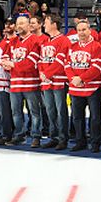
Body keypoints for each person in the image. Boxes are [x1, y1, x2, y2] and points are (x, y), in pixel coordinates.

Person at [1, 15, 43, 147]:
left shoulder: (35, 41)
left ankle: (36, 136)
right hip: (15, 83)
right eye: (18, 23)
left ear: (29, 26)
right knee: (16, 113)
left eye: (22, 23)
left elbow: (30, 63)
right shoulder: (12, 42)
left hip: (31, 83)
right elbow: (4, 57)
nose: (19, 26)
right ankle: (19, 135)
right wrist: (5, 63)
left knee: (34, 112)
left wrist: (13, 65)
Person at [65, 20, 101, 152]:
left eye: (84, 30)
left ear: (89, 30)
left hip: (92, 89)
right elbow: (67, 65)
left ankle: (95, 143)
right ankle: (80, 141)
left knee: (95, 117)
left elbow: (97, 68)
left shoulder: (96, 46)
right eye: (79, 30)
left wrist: (81, 78)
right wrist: (72, 79)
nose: (81, 32)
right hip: (76, 89)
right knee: (77, 117)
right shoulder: (72, 47)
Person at [38, 13, 72, 150]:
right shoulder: (45, 41)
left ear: (54, 24)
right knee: (50, 110)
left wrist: (46, 73)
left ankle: (63, 138)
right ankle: (54, 137)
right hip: (46, 82)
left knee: (60, 110)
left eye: (46, 22)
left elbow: (60, 62)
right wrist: (41, 73)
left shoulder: (64, 40)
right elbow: (41, 60)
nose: (44, 25)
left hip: (58, 81)